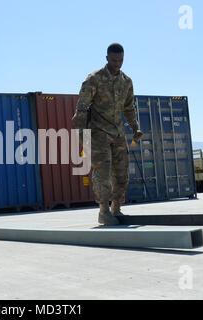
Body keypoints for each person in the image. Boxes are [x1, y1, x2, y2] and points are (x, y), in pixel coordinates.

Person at [72, 43, 143, 226]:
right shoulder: (94, 79)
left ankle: (116, 209)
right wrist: (82, 138)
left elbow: (129, 108)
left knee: (121, 173)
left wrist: (135, 128)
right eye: (113, 60)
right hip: (98, 134)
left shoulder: (126, 82)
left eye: (120, 60)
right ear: (106, 58)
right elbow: (81, 109)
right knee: (102, 173)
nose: (117, 64)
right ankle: (104, 212)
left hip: (118, 133)